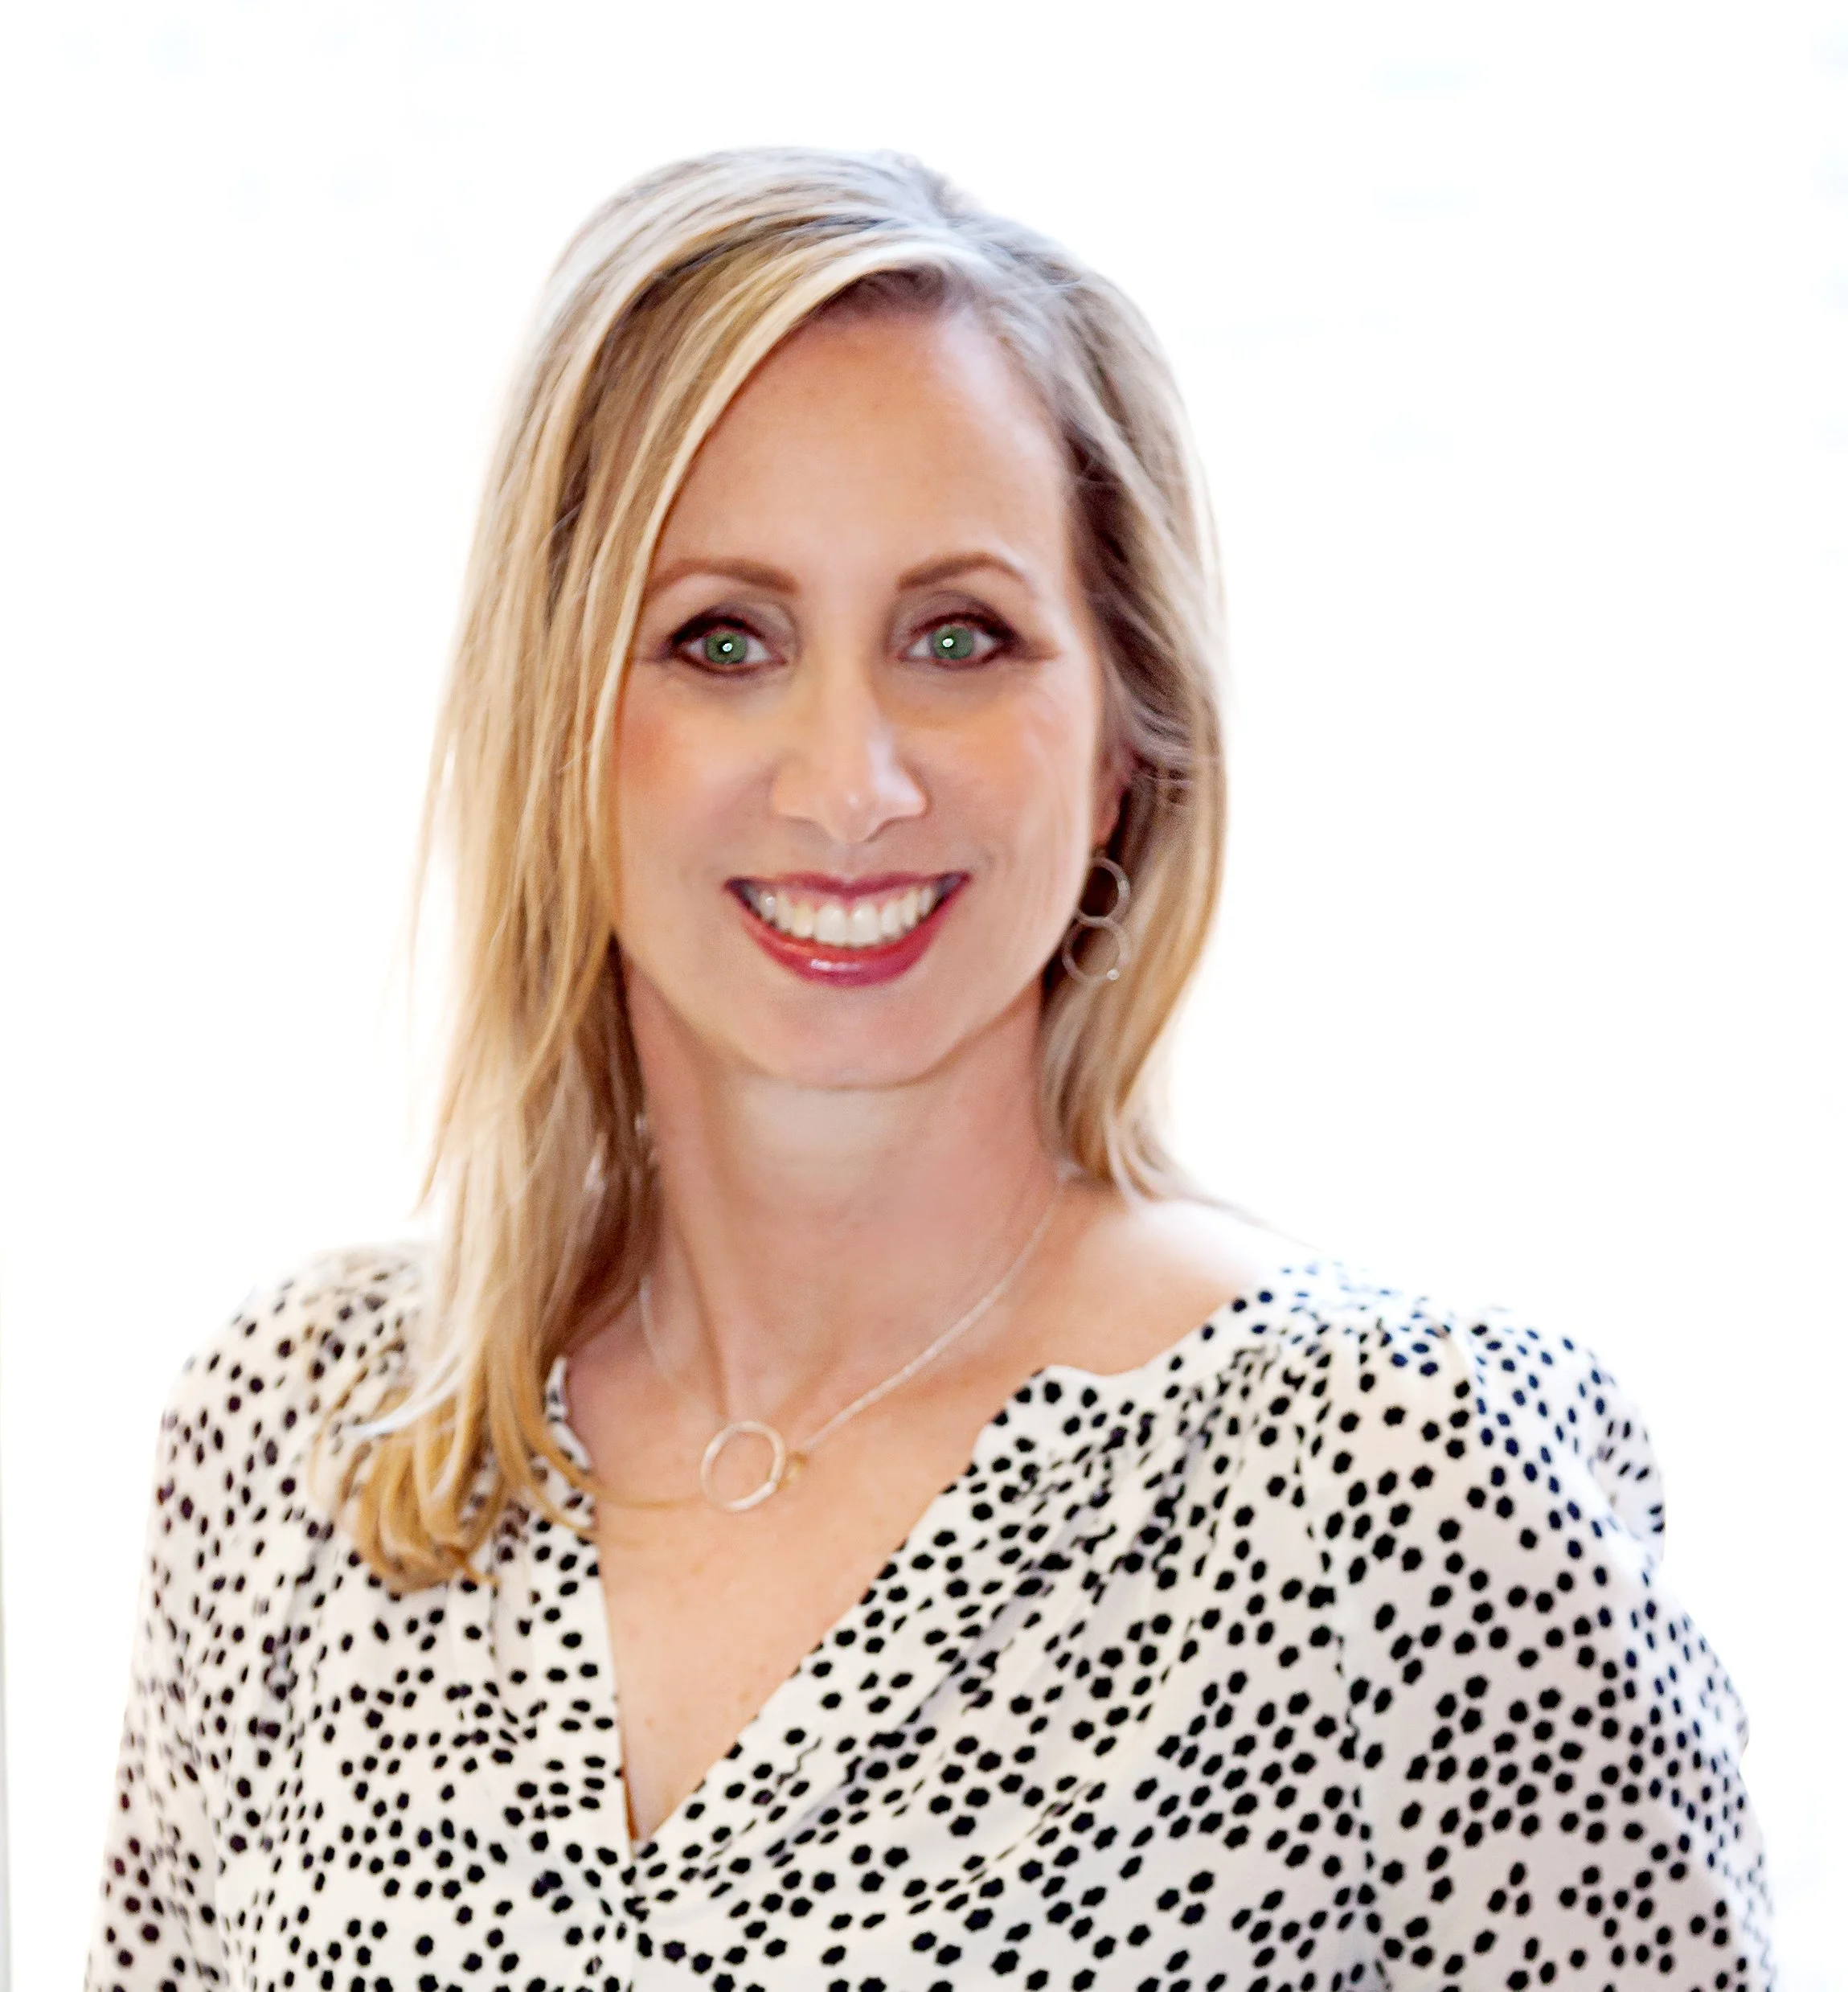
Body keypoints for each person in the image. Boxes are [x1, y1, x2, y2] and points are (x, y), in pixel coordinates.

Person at [85, 146, 1774, 1991]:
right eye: (719, 641)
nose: (851, 785)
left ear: (1127, 731)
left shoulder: (1416, 1476)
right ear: (557, 715)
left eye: (958, 638)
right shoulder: (304, 1439)